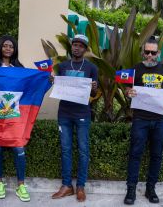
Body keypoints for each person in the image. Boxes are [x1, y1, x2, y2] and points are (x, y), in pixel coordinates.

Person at [123, 37, 163, 205]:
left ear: (158, 53)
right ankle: (131, 189)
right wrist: (128, 93)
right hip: (140, 119)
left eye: (153, 53)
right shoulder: (136, 69)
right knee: (135, 154)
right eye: (146, 52)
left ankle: (150, 189)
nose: (149, 55)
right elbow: (127, 89)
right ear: (143, 51)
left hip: (160, 120)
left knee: (156, 155)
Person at [51, 34, 98, 202]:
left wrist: (93, 87)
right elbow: (58, 85)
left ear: (85, 49)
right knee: (65, 150)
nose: (76, 47)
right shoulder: (63, 66)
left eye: (80, 45)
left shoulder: (91, 68)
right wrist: (53, 81)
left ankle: (80, 186)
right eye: (74, 44)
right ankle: (66, 186)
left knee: (83, 151)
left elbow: (93, 93)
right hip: (64, 113)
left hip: (82, 114)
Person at [0, 35, 29, 202]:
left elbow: (28, 84)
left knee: (19, 149)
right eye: (5, 46)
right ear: (0, 48)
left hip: (14, 115)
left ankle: (21, 185)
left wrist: (45, 79)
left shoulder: (19, 67)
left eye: (11, 46)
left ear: (14, 49)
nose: (8, 48)